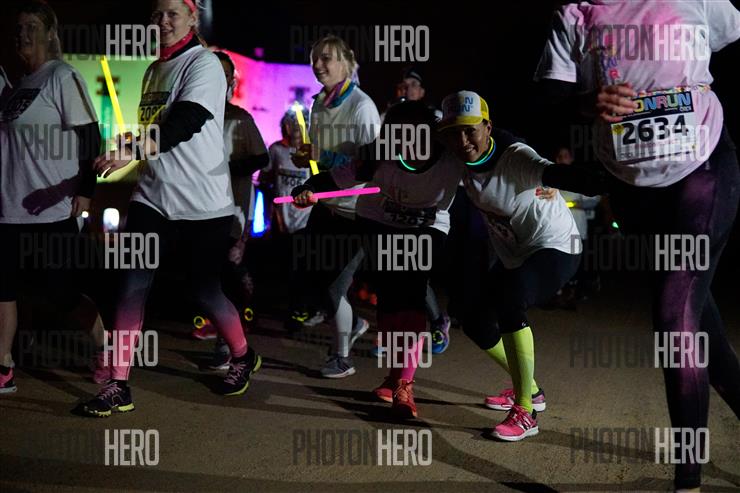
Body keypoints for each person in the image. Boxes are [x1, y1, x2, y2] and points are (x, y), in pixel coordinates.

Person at [535, 1, 740, 489]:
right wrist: (591, 102)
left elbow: (728, 31)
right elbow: (549, 94)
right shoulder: (576, 14)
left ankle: (688, 479)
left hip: (702, 171)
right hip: (632, 187)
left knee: (674, 319)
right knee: (698, 324)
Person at [77, 0, 261, 417]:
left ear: (192, 17)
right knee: (130, 285)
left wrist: (134, 149)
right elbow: (155, 130)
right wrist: (128, 146)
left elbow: (185, 121)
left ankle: (242, 354)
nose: (162, 22)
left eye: (172, 14)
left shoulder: (204, 64)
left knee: (205, 291)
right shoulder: (152, 70)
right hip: (153, 197)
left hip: (203, 204)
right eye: (156, 14)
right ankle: (118, 384)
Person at [293, 101, 461, 417]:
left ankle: (404, 386)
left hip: (427, 226)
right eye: (395, 137)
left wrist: (541, 182)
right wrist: (307, 188)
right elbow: (335, 179)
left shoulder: (452, 155)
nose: (402, 146)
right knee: (390, 302)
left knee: (411, 296)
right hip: (379, 221)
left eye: (410, 137)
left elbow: (496, 159)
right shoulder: (379, 153)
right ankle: (394, 376)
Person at [439, 91, 582, 441]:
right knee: (471, 316)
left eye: (470, 130)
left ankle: (526, 412)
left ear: (487, 127)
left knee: (510, 299)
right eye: (454, 132)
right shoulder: (454, 158)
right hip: (515, 254)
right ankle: (530, 388)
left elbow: (551, 171)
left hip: (556, 246)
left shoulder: (515, 156)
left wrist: (568, 180)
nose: (463, 140)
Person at [0, 0, 107, 393]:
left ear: (49, 33)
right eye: (18, 27)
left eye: (32, 26)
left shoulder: (62, 76)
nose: (23, 33)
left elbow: (91, 135)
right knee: (3, 291)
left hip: (54, 208)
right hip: (9, 209)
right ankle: (3, 365)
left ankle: (106, 349)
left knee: (61, 294)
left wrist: (86, 191)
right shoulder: (15, 87)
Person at [291, 34, 380, 378]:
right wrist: (308, 161)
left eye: (326, 58)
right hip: (324, 204)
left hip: (356, 210)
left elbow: (370, 165)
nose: (318, 65)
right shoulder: (318, 104)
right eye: (314, 58)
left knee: (334, 287)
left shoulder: (362, 106)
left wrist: (322, 157)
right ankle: (354, 323)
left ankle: (341, 357)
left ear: (346, 62)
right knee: (315, 283)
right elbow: (323, 161)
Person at [195, 50, 269, 371]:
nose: (220, 79)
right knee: (206, 276)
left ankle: (228, 346)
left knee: (225, 274)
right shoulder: (194, 116)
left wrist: (227, 168)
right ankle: (223, 331)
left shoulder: (240, 119)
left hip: (231, 211)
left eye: (226, 74)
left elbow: (262, 158)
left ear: (231, 82)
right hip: (198, 209)